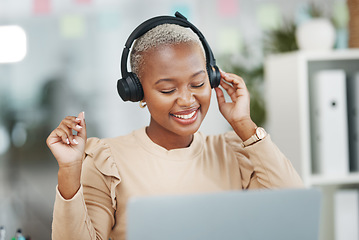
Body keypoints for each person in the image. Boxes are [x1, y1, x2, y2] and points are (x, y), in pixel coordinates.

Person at [47, 14, 303, 240]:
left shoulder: (235, 152)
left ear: (212, 78)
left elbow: (295, 211)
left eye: (198, 84)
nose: (187, 100)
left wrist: (243, 123)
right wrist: (70, 171)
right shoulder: (107, 160)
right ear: (138, 92)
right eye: (168, 89)